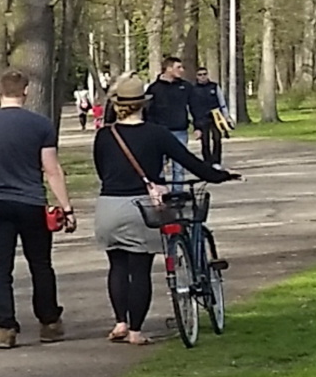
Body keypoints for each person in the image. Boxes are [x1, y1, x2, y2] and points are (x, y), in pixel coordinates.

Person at [94, 76, 238, 345]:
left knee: (116, 265)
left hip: (108, 206)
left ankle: (120, 323)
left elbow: (102, 170)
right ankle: (136, 332)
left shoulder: (104, 135)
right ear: (143, 104)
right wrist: (219, 175)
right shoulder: (156, 133)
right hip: (140, 206)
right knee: (140, 268)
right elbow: (190, 162)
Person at [0, 69, 77, 350]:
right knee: (40, 264)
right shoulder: (40, 125)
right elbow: (51, 170)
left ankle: (5, 326)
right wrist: (66, 206)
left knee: (1, 266)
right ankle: (49, 321)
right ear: (25, 91)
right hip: (32, 202)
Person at [145, 57, 196, 191]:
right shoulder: (154, 89)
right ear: (168, 68)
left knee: (179, 166)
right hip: (160, 132)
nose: (182, 70)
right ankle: (160, 192)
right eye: (178, 67)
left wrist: (199, 126)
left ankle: (177, 194)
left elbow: (195, 107)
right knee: (159, 165)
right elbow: (148, 111)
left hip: (180, 131)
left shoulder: (185, 87)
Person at [190, 67, 232, 167]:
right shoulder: (193, 89)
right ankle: (207, 162)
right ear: (197, 77)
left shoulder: (214, 86)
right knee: (205, 141)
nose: (203, 76)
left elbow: (222, 101)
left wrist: (226, 116)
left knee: (217, 139)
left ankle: (216, 161)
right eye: (200, 75)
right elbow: (190, 105)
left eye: (204, 74)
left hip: (216, 117)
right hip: (201, 118)